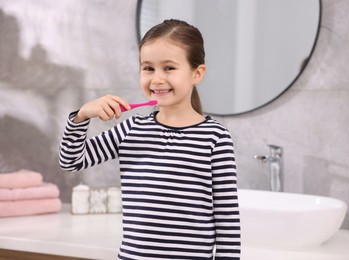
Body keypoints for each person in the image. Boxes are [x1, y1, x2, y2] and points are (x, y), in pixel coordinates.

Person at [59, 19, 240, 260]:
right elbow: (71, 161)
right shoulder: (131, 129)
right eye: (148, 68)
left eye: (169, 68)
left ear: (197, 73)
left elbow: (227, 221)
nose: (156, 79)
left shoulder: (215, 137)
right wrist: (82, 116)